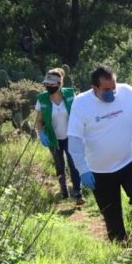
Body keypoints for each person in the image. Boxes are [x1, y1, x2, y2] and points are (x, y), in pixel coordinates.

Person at [67, 64, 132, 262]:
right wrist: (83, 170)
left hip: (130, 161)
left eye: (113, 87)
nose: (112, 92)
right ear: (94, 88)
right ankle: (120, 248)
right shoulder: (81, 104)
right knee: (113, 220)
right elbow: (74, 141)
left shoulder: (127, 92)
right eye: (106, 89)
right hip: (100, 171)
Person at [35, 67, 85, 205]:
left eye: (52, 84)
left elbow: (78, 114)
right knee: (59, 165)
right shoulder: (42, 99)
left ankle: (78, 192)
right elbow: (38, 121)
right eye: (47, 84)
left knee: (73, 163)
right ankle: (64, 192)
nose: (48, 86)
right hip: (53, 138)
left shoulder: (70, 95)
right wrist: (41, 134)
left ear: (59, 83)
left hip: (70, 136)